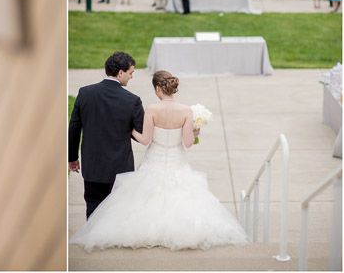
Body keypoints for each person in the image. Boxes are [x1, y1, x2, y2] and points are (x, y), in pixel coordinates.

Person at [70, 71, 248, 251]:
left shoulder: (152, 109)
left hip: (154, 158)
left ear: (157, 88)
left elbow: (145, 139)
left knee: (145, 197)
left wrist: (128, 129)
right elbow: (187, 143)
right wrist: (194, 133)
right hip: (177, 159)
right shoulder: (186, 110)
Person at [68, 52, 144, 219]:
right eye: (131, 72)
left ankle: (91, 239)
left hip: (92, 164)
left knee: (93, 206)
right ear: (120, 73)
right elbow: (142, 132)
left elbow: (74, 128)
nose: (131, 77)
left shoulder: (85, 93)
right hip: (120, 166)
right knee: (119, 209)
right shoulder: (132, 101)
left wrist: (72, 157)